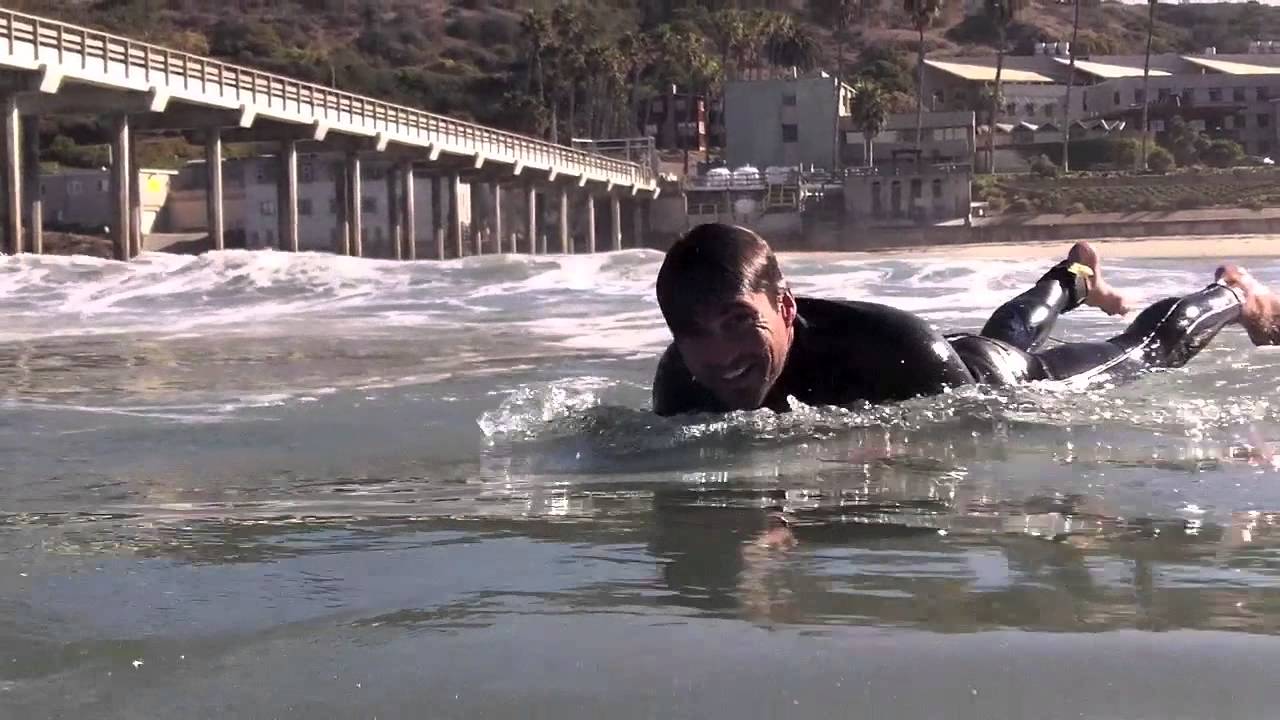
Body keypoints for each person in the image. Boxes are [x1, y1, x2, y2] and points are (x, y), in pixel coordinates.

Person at [651, 223, 1277, 417]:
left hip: (992, 381)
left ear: (785, 307)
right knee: (1004, 330)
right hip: (953, 356)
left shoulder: (891, 345)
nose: (721, 354)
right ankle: (1075, 277)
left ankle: (1233, 294)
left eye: (738, 321)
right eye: (696, 334)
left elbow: (979, 435)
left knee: (1142, 351)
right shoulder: (680, 383)